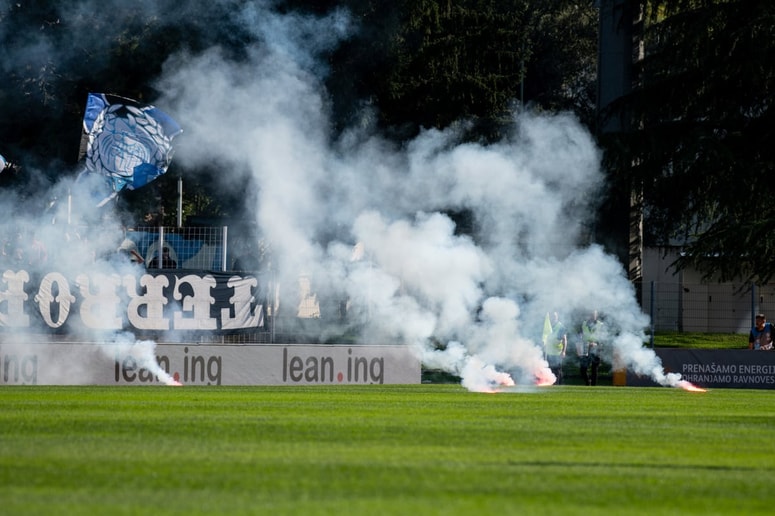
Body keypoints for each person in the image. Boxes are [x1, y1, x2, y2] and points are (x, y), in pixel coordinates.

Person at [579, 310, 604, 385]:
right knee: (583, 369)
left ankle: (593, 386)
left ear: (596, 315)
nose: (593, 316)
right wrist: (580, 343)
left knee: (594, 369)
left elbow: (604, 338)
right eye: (591, 314)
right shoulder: (584, 324)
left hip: (596, 348)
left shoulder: (600, 325)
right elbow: (579, 335)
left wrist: (596, 344)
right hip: (586, 348)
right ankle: (587, 382)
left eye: (594, 314)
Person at [543, 312, 567, 384]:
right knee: (550, 370)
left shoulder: (561, 327)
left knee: (557, 370)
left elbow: (564, 340)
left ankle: (557, 385)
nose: (553, 318)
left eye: (554, 316)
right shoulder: (548, 326)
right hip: (549, 352)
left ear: (557, 317)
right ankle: (553, 384)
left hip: (557, 352)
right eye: (552, 317)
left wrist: (563, 351)